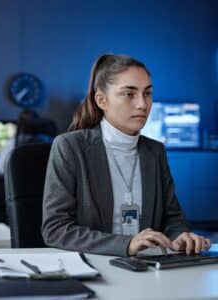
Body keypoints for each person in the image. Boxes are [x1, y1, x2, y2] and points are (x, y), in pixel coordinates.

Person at [42, 54, 211, 257]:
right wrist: (126, 244)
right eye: (129, 94)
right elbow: (55, 229)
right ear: (102, 100)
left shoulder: (155, 151)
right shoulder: (70, 147)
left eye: (147, 93)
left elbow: (172, 218)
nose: (142, 104)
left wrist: (181, 236)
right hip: (94, 267)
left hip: (148, 269)